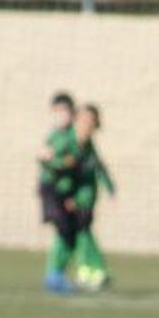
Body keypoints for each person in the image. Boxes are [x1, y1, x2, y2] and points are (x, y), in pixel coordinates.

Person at [68, 104, 116, 292]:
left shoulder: (87, 147)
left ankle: (96, 270)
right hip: (77, 194)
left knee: (83, 232)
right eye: (84, 119)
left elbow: (98, 167)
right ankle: (88, 271)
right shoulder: (75, 142)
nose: (87, 124)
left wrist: (109, 186)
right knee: (81, 233)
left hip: (85, 197)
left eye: (91, 120)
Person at [38, 92, 83, 294]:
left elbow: (74, 163)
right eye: (57, 112)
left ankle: (58, 274)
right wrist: (57, 162)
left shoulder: (73, 136)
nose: (61, 116)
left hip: (66, 191)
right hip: (52, 190)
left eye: (64, 111)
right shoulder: (55, 136)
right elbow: (49, 162)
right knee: (64, 229)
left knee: (70, 233)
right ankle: (54, 276)